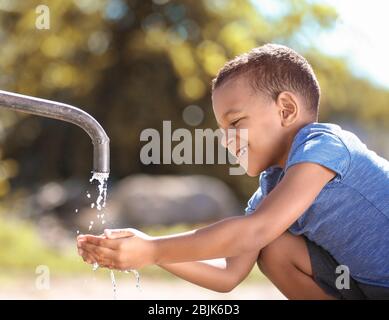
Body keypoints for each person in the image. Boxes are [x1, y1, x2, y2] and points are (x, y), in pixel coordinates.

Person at [77, 44, 389, 299]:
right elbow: (228, 275)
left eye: (236, 123)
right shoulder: (271, 188)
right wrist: (149, 251)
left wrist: (153, 249)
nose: (227, 140)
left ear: (286, 110)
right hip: (368, 287)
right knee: (273, 249)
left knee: (262, 235)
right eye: (223, 130)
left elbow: (254, 230)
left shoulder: (324, 145)